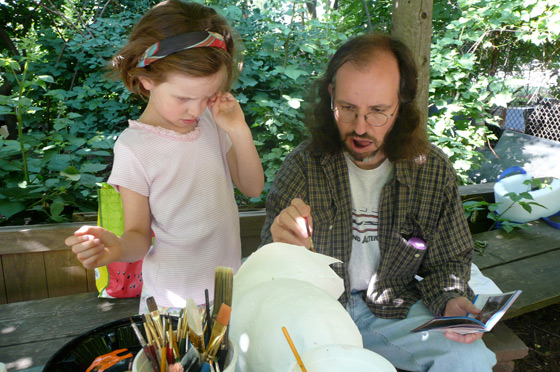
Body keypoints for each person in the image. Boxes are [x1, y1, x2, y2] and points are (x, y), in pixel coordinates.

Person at [261, 33, 497, 371]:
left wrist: (451, 300)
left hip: (393, 310)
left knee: (469, 359)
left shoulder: (430, 171)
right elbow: (269, 267)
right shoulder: (303, 165)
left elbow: (449, 261)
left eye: (378, 112)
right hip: (317, 313)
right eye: (347, 108)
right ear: (331, 96)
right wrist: (280, 246)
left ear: (400, 104)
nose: (360, 127)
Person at [65, 0, 263, 313]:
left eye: (208, 96)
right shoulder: (135, 148)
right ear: (146, 79)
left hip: (227, 291)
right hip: (172, 306)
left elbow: (252, 188)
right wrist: (116, 247)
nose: (196, 109)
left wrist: (239, 131)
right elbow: (139, 237)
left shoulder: (212, 120)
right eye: (183, 97)